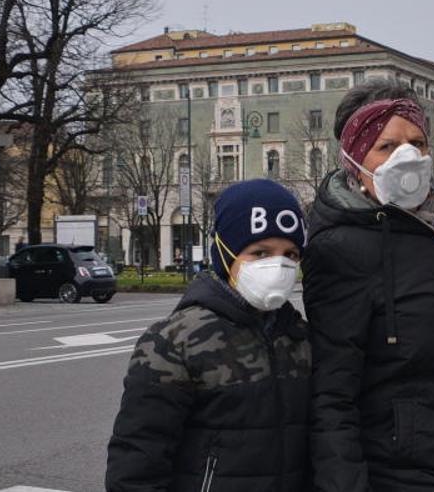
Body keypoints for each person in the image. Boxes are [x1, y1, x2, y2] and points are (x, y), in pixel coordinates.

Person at [306, 80, 434, 491]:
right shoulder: (340, 247)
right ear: (353, 157)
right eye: (386, 146)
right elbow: (331, 397)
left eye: (417, 143)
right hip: (399, 474)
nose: (408, 156)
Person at [106, 179, 311, 491]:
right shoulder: (172, 343)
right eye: (259, 252)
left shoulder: (301, 339)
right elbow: (137, 463)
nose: (278, 265)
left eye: (291, 254)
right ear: (225, 253)